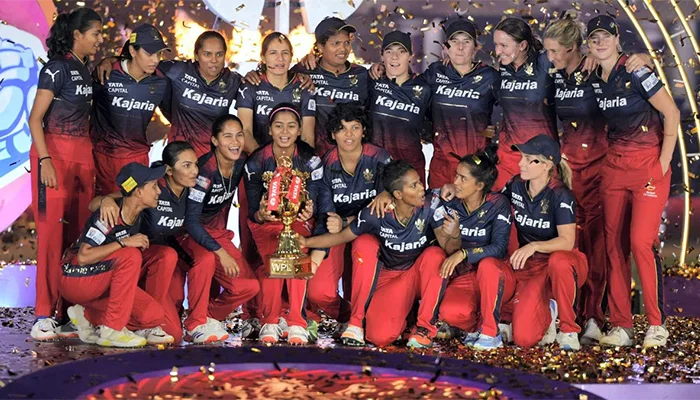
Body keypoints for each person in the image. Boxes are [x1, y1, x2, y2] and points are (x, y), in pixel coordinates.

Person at [587, 15, 680, 348]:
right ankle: (623, 326)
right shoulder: (593, 76)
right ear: (588, 44)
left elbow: (671, 113)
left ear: (616, 39)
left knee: (641, 243)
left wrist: (664, 162)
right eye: (594, 38)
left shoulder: (637, 70)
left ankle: (656, 324)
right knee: (614, 247)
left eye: (605, 37)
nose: (600, 43)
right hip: (614, 170)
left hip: (648, 170)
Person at [299, 160, 448, 348]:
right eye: (414, 185)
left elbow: (450, 246)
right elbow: (343, 236)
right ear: (398, 194)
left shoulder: (430, 203)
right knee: (379, 337)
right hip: (392, 277)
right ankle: (404, 321)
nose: (421, 188)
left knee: (435, 255)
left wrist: (454, 233)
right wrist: (307, 242)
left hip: (420, 272)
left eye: (419, 182)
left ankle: (425, 328)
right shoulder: (376, 212)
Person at [87, 141, 213, 344]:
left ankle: (145, 321)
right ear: (170, 171)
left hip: (162, 264)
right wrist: (106, 201)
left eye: (196, 165)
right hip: (138, 259)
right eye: (187, 166)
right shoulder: (152, 186)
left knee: (175, 335)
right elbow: (98, 203)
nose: (194, 171)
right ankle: (93, 314)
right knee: (166, 256)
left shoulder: (193, 189)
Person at [28, 7, 104, 341]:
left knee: (78, 236)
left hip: (82, 157)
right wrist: (45, 159)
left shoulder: (85, 68)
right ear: (77, 34)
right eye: (96, 34)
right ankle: (43, 315)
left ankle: (69, 311)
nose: (100, 40)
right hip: (54, 157)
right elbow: (35, 118)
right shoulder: (56, 69)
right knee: (50, 237)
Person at [60, 162, 173, 347]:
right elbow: (83, 257)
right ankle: (111, 330)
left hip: (103, 282)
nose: (158, 191)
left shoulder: (138, 210)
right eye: (154, 186)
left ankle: (85, 315)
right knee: (130, 255)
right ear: (138, 191)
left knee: (154, 315)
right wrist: (122, 242)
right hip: (75, 278)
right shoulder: (110, 214)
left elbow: (122, 193)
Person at [177, 114, 260, 342]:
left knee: (249, 286)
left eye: (239, 135)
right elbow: (191, 221)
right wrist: (220, 252)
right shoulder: (203, 172)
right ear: (214, 140)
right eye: (227, 136)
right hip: (187, 233)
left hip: (216, 233)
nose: (235, 142)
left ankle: (207, 316)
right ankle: (195, 324)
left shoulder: (241, 163)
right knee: (204, 259)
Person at [309, 102, 392, 329]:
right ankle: (348, 315)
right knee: (318, 292)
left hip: (369, 232)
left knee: (364, 248)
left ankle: (359, 321)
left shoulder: (379, 158)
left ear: (364, 131)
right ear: (332, 134)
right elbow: (326, 216)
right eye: (342, 128)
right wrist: (316, 256)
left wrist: (349, 221)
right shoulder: (325, 163)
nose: (349, 135)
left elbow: (385, 212)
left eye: (355, 127)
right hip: (336, 232)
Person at [503, 135, 588, 351]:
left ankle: (569, 330)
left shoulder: (560, 194)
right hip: (531, 268)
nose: (521, 163)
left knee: (559, 261)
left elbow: (567, 242)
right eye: (522, 157)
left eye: (530, 159)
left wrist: (534, 246)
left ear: (547, 165)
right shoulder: (516, 185)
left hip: (564, 264)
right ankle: (547, 307)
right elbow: (492, 203)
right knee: (523, 339)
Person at [245, 103, 319, 345]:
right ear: (269, 130)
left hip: (297, 221)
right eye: (278, 126)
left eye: (291, 126)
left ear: (299, 130)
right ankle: (270, 321)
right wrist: (261, 214)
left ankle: (297, 321)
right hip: (266, 224)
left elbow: (320, 194)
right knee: (272, 256)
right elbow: (253, 208)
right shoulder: (256, 161)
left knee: (297, 252)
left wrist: (311, 209)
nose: (284, 131)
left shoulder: (310, 159)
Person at [435, 145, 516, 350]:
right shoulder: (451, 202)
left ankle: (491, 333)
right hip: (467, 277)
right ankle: (474, 327)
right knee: (450, 313)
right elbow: (420, 195)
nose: (455, 182)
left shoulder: (497, 203)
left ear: (479, 185)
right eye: (456, 176)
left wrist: (464, 253)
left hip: (497, 276)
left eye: (463, 178)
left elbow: (498, 248)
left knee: (488, 264)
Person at [91, 24, 170, 195]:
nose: (155, 60)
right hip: (103, 158)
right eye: (149, 54)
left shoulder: (161, 82)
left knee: (131, 213)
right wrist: (108, 60)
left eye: (159, 54)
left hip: (137, 160)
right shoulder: (107, 74)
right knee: (102, 212)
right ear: (133, 51)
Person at [422, 19, 499, 188]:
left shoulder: (490, 76)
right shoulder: (435, 72)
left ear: (476, 47)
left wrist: (496, 131)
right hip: (442, 164)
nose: (460, 47)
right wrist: (381, 69)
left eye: (466, 41)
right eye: (454, 41)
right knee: (439, 213)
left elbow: (515, 109)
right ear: (446, 47)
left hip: (476, 166)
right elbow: (409, 93)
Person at [491, 18, 558, 191]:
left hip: (541, 160)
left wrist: (591, 61)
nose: (498, 51)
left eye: (503, 46)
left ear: (522, 45)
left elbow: (574, 59)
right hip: (508, 159)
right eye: (496, 45)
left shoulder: (545, 62)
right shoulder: (502, 69)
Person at [295, 17, 370, 155]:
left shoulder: (362, 74)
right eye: (335, 43)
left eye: (347, 43)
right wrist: (256, 73)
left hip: (351, 159)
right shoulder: (304, 71)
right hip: (314, 157)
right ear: (320, 46)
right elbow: (275, 80)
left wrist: (382, 67)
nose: (343, 49)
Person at [368, 30, 431, 184]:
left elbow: (439, 124)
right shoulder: (371, 82)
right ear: (382, 55)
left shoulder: (425, 89)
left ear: (410, 56)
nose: (394, 57)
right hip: (376, 168)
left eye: (401, 52)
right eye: (389, 51)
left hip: (410, 169)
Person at [237, 31, 317, 149]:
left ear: (291, 57)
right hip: (257, 159)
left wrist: (297, 164)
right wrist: (263, 160)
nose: (280, 59)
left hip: (293, 161)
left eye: (285, 53)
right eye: (273, 53)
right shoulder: (250, 86)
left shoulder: (304, 86)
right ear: (263, 58)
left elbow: (307, 138)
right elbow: (245, 132)